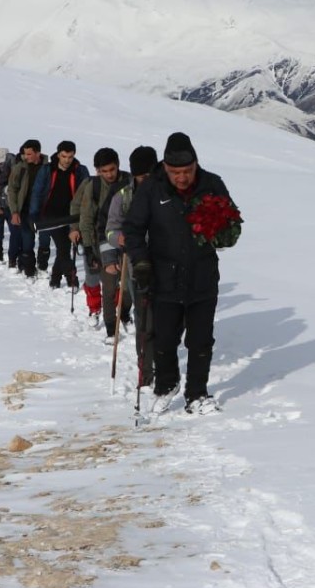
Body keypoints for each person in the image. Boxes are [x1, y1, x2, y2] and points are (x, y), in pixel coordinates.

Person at [123, 132, 239, 413]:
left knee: (200, 341)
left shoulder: (212, 184)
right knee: (163, 340)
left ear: (196, 164)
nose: (182, 177)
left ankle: (197, 394)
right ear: (165, 167)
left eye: (187, 171)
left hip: (202, 277)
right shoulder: (152, 188)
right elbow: (134, 229)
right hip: (162, 277)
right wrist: (141, 262)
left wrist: (222, 233)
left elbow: (232, 225)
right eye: (176, 172)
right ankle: (166, 384)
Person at [106, 145, 157, 385]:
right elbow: (109, 230)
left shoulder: (167, 194)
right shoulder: (123, 197)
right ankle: (145, 369)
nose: (146, 180)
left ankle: (161, 362)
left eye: (150, 174)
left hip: (166, 263)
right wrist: (120, 239)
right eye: (142, 176)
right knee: (144, 316)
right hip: (137, 263)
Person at [71, 147, 130, 335]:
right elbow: (85, 217)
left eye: (112, 169)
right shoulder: (93, 186)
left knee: (122, 280)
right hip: (96, 240)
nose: (109, 174)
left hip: (122, 239)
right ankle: (95, 309)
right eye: (104, 171)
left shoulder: (129, 182)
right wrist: (87, 248)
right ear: (97, 170)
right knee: (93, 277)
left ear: (118, 165)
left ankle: (122, 311)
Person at [29, 140, 90, 289]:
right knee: (63, 247)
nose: (67, 160)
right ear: (58, 155)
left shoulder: (80, 170)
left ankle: (55, 279)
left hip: (71, 216)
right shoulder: (47, 169)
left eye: (70, 156)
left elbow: (87, 193)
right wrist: (34, 215)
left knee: (65, 246)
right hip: (51, 214)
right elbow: (37, 192)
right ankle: (71, 278)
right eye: (64, 156)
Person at [7, 139, 44, 277]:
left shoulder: (47, 167)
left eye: (29, 154)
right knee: (27, 238)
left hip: (42, 210)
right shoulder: (20, 168)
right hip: (24, 209)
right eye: (25, 154)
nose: (26, 157)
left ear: (37, 153)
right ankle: (27, 266)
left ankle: (35, 264)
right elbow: (12, 190)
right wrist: (14, 211)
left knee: (42, 240)